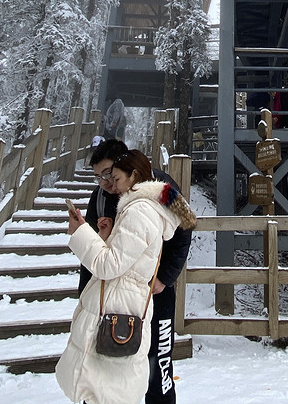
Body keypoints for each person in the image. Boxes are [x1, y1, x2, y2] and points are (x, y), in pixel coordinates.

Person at [58, 149, 196, 404]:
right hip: (116, 296)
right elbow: (112, 253)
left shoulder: (154, 196)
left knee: (155, 363)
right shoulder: (103, 197)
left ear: (130, 171)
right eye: (98, 177)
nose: (107, 182)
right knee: (112, 374)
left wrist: (164, 277)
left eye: (110, 174)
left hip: (148, 293)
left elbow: (185, 228)